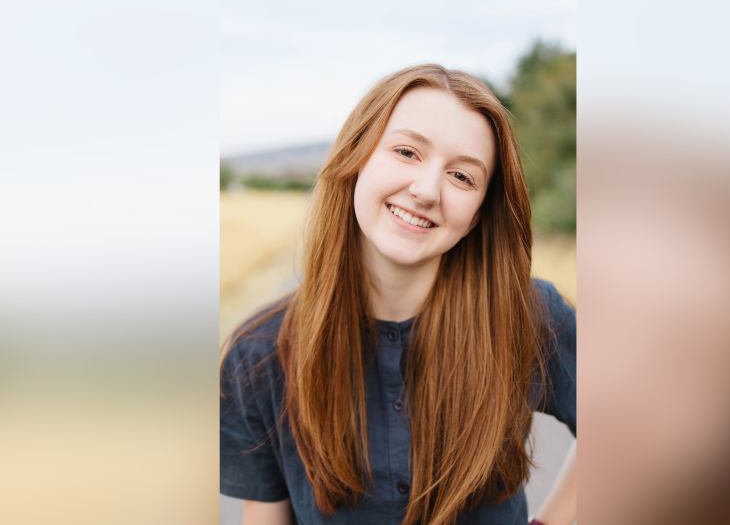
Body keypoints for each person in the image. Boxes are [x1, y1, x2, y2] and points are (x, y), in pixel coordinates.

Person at [220, 64, 576, 525]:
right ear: (357, 157)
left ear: (477, 215)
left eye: (462, 177)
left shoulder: (530, 316)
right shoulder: (259, 355)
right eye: (407, 152)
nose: (426, 191)